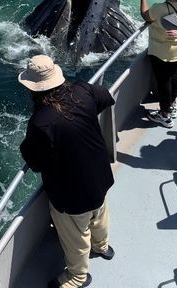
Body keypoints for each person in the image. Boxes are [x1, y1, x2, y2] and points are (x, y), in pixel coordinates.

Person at [19, 54, 115, 288]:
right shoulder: (83, 91)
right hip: (101, 177)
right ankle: (102, 247)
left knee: (76, 238)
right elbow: (106, 98)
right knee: (100, 214)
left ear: (34, 89)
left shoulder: (41, 122)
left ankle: (77, 277)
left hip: (72, 196)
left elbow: (35, 163)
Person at [140, 0, 177, 128]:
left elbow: (146, 15)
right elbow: (173, 2)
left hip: (161, 52)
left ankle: (165, 116)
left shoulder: (159, 9)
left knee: (163, 83)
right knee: (174, 77)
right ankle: (172, 105)